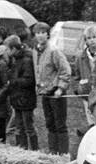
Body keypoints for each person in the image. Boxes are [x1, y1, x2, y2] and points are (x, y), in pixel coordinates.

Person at [31, 22, 71, 154]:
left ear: (48, 34)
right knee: (49, 123)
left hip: (56, 92)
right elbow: (39, 70)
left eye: (43, 32)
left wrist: (61, 87)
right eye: (37, 33)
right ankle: (53, 152)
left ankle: (63, 153)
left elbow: (65, 70)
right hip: (45, 92)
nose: (40, 35)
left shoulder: (54, 51)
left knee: (60, 124)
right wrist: (38, 86)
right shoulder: (36, 51)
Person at [5, 34, 39, 150]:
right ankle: (22, 149)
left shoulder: (26, 59)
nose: (6, 52)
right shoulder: (15, 60)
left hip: (26, 98)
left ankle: (34, 150)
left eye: (7, 49)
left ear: (14, 48)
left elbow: (29, 80)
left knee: (28, 127)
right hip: (17, 98)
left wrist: (13, 81)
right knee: (19, 127)